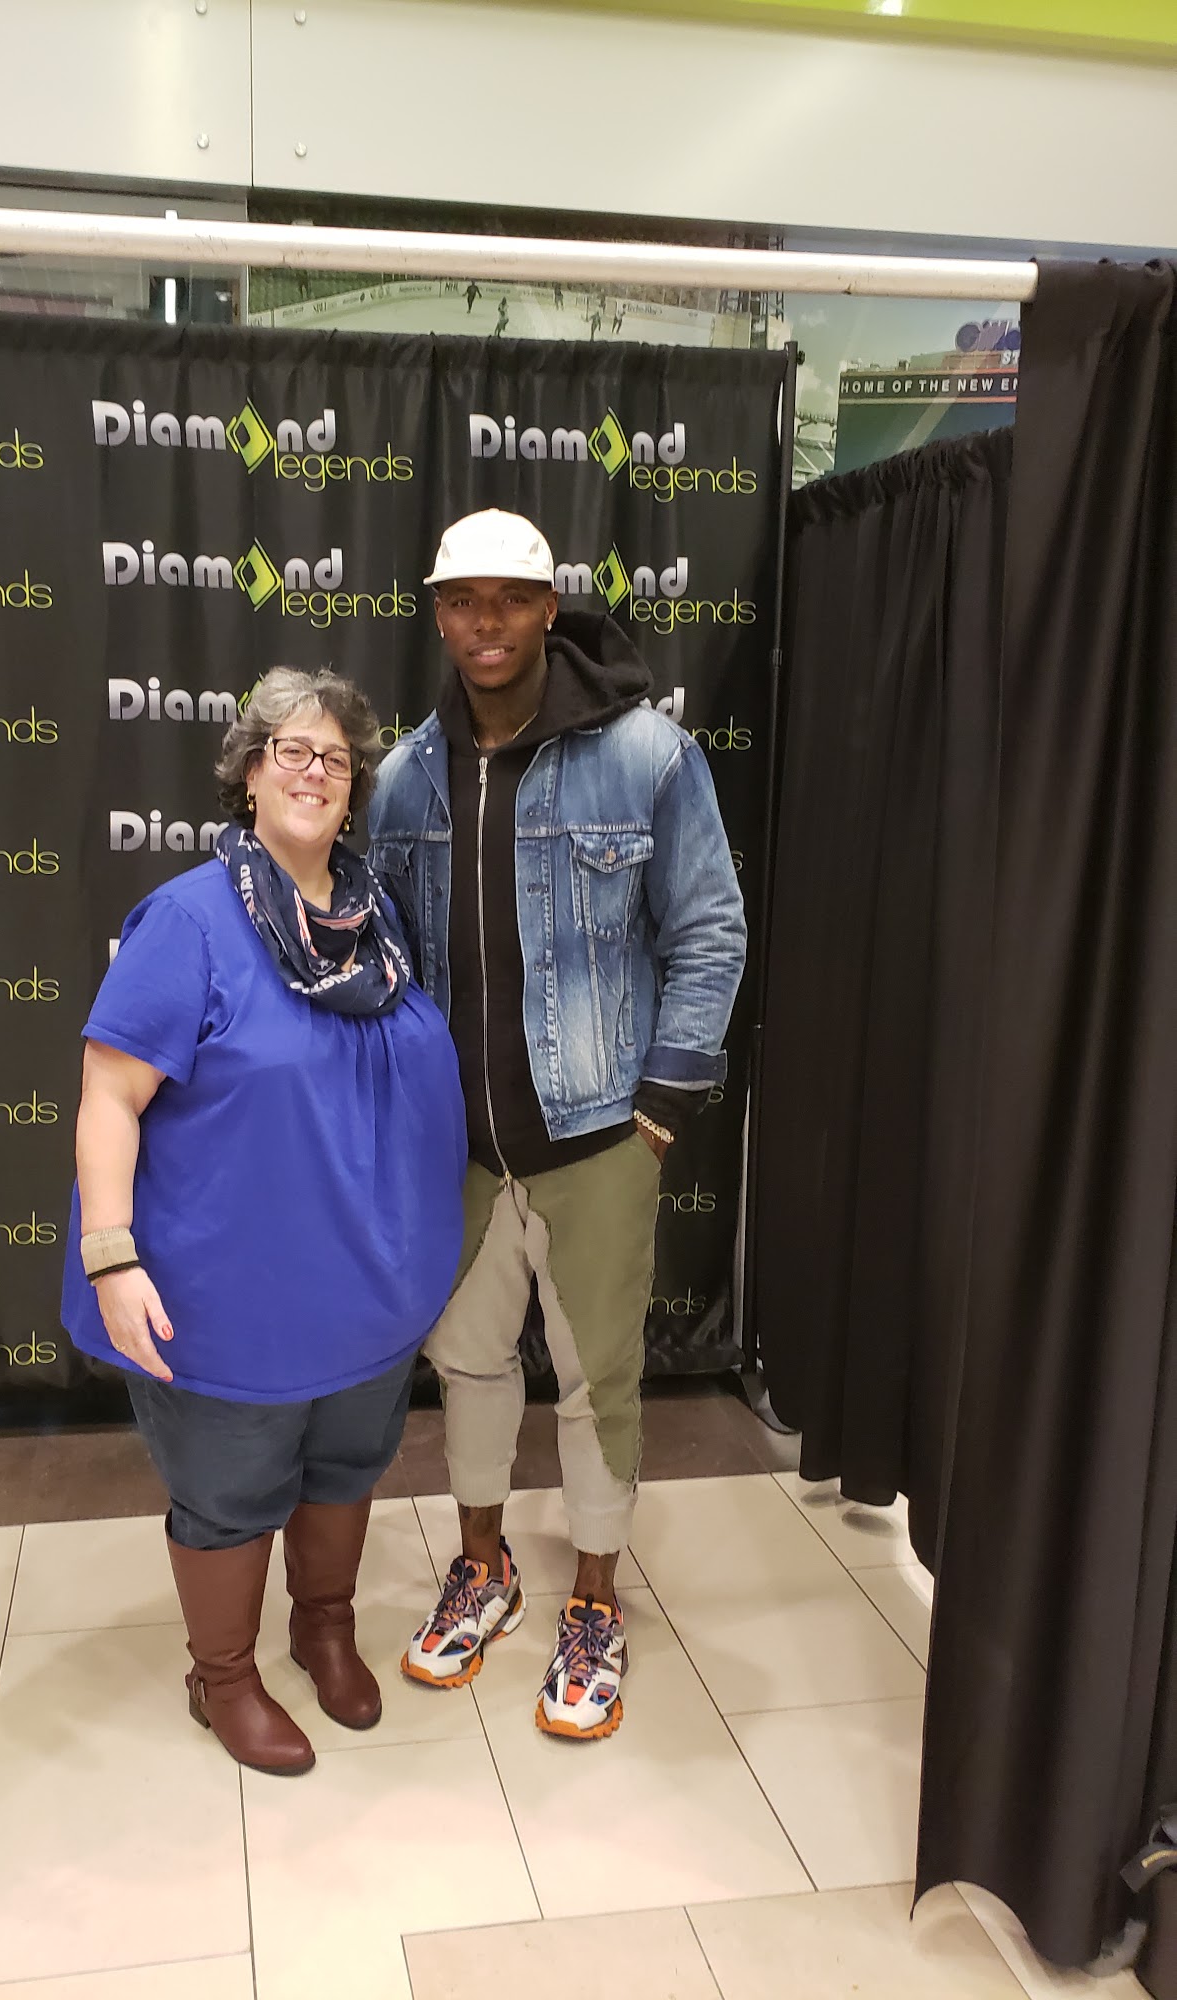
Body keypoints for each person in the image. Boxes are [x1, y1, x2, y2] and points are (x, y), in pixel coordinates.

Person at [369, 510, 746, 1741]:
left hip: (597, 1139)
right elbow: (383, 956)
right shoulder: (404, 776)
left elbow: (710, 928)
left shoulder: (646, 756)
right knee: (468, 1364)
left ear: (548, 609)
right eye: (460, 600)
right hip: (458, 1147)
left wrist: (662, 1100)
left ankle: (594, 1598)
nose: (484, 623)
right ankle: (481, 1566)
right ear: (438, 614)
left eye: (508, 599)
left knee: (597, 1382)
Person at [65, 669, 467, 1777]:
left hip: (366, 1288)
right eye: (291, 750)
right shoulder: (189, 921)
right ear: (250, 773)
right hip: (226, 1299)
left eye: (336, 759)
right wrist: (111, 1256)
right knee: (231, 1489)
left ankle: (324, 1627)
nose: (314, 772)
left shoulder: (374, 918)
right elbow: (109, 1096)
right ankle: (225, 1675)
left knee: (346, 1463)